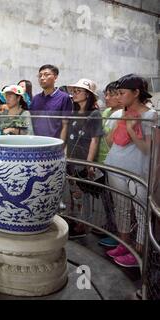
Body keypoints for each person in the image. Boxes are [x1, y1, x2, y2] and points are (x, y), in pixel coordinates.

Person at [104, 74, 158, 268]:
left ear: (136, 93)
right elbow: (109, 142)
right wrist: (121, 124)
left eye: (122, 93)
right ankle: (123, 244)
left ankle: (140, 253)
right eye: (117, 93)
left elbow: (147, 148)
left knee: (140, 211)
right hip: (116, 165)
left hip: (137, 171)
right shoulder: (118, 114)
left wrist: (131, 129)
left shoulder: (150, 116)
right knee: (122, 209)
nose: (119, 96)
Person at [65, 79, 104, 239]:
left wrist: (88, 163)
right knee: (75, 193)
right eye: (73, 91)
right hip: (72, 160)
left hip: (83, 160)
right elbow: (69, 138)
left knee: (85, 194)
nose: (74, 94)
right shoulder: (74, 112)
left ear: (88, 94)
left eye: (78, 91)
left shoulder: (94, 114)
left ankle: (84, 225)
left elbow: (95, 140)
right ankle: (76, 221)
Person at [96, 81, 123, 248]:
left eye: (112, 94)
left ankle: (118, 235)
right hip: (102, 160)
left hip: (115, 163)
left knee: (117, 202)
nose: (107, 98)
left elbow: (111, 140)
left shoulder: (121, 114)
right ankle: (111, 228)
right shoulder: (106, 111)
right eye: (106, 94)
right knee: (107, 199)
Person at [30, 64, 73, 143]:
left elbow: (65, 125)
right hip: (36, 143)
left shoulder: (64, 98)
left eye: (46, 75)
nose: (42, 78)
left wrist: (60, 145)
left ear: (55, 77)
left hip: (54, 143)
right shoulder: (36, 99)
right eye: (40, 75)